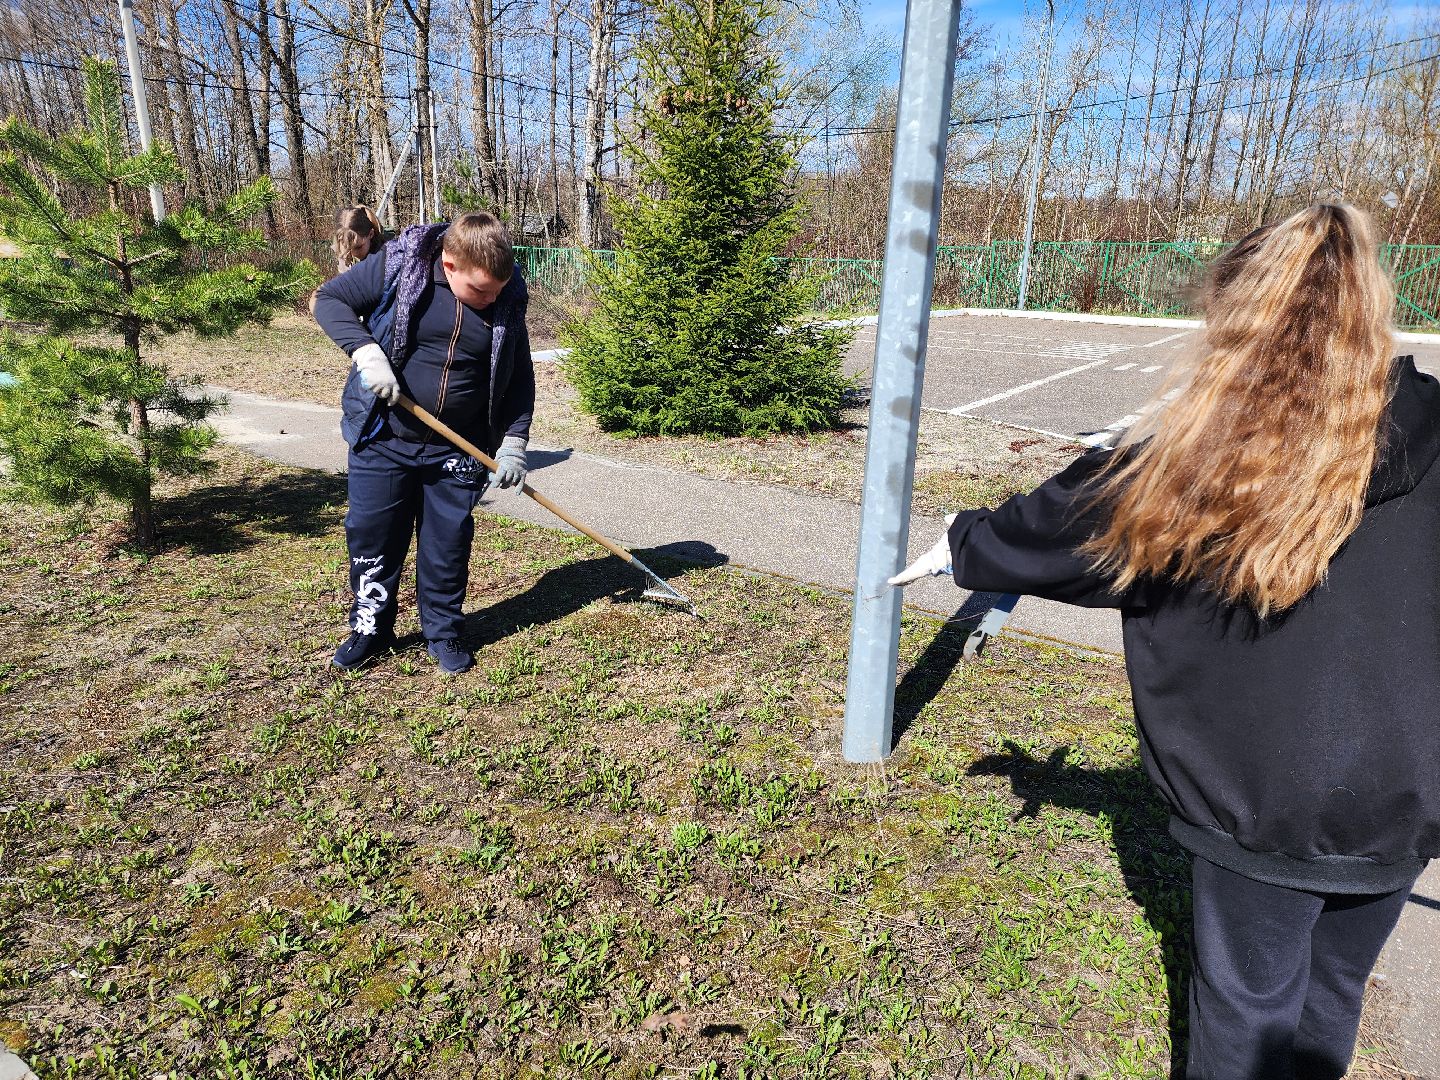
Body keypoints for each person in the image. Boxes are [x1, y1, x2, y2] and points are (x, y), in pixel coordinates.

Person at [892, 203, 1438, 1079]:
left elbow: (1068, 530)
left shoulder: (1200, 454)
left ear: (1233, 315)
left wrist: (961, 541)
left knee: (1248, 1009)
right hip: (1406, 794)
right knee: (1333, 992)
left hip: (1264, 797)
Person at [312, 211, 535, 675]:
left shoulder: (508, 295)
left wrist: (514, 441)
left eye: (498, 289)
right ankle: (371, 627)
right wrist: (365, 350)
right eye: (480, 291)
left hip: (459, 448)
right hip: (384, 437)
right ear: (449, 264)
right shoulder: (401, 261)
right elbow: (328, 299)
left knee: (447, 544)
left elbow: (519, 374)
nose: (491, 299)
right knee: (374, 537)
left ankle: (443, 631)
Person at [332, 205, 384, 272]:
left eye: (358, 247)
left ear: (371, 234)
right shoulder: (342, 251)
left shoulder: (385, 258)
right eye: (347, 248)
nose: (354, 253)